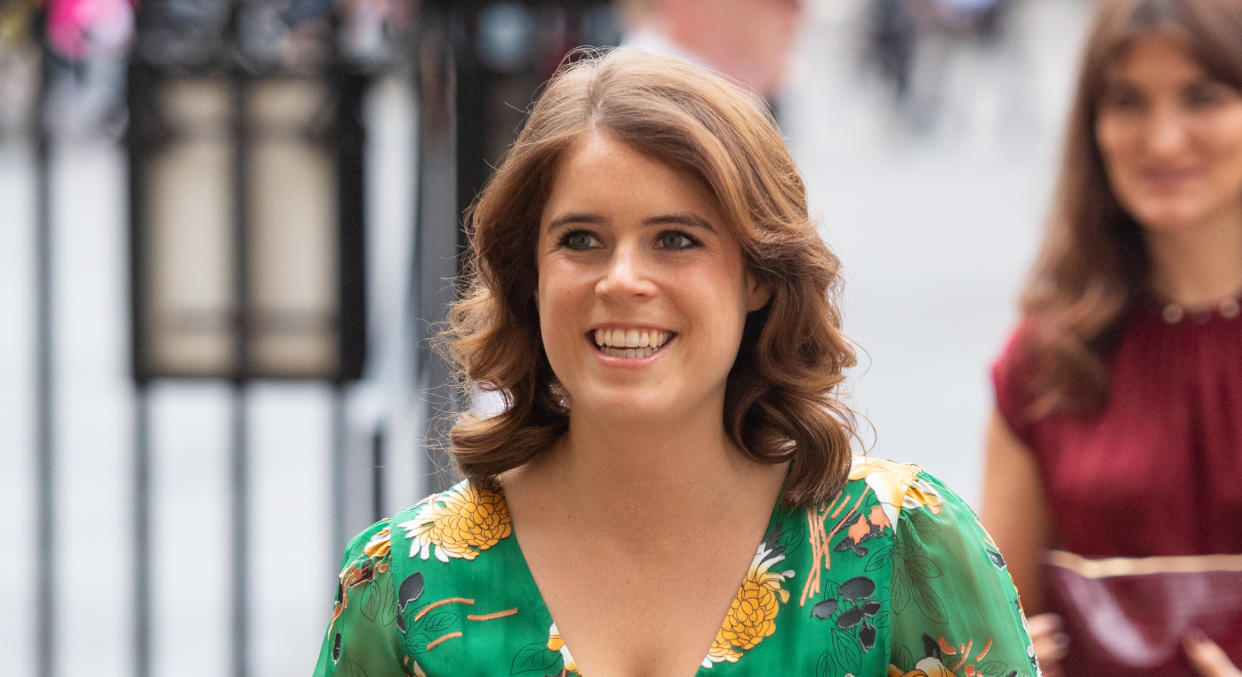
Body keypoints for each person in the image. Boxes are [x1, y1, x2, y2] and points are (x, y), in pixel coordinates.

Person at [313, 48, 1038, 676]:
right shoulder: (399, 580)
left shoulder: (905, 549)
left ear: (759, 274)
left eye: (676, 239)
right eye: (580, 239)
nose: (622, 279)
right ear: (529, 275)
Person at [980, 0, 1242, 675]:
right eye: (1128, 101)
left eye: (1202, 97)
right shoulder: (1045, 362)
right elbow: (994, 625)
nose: (1162, 140)